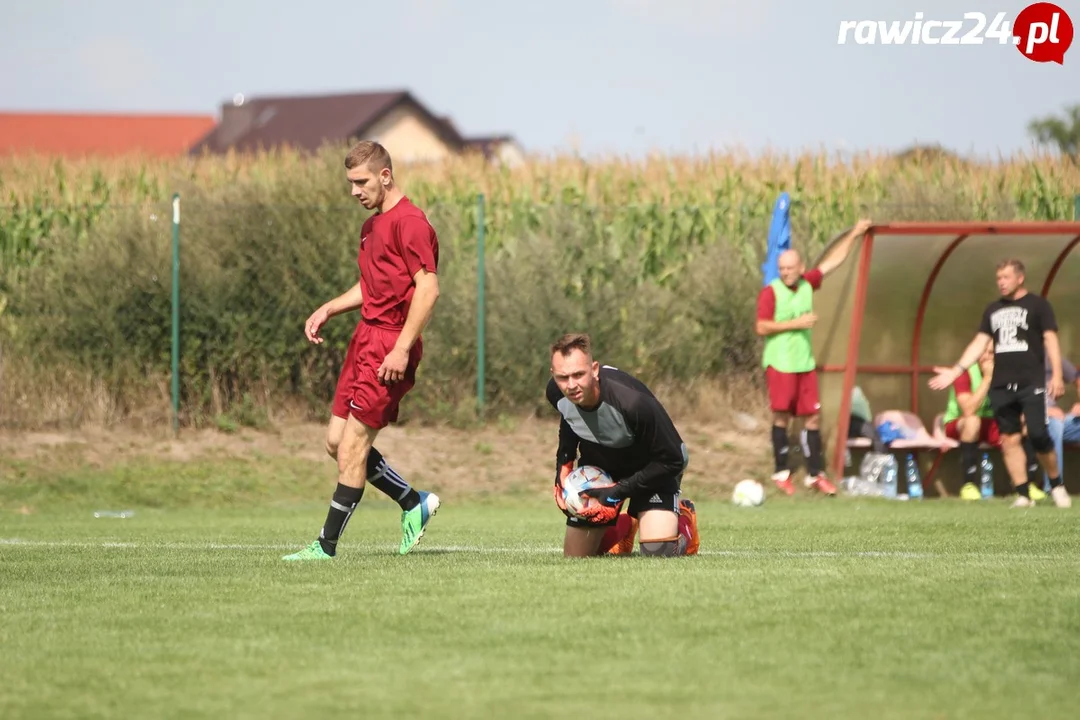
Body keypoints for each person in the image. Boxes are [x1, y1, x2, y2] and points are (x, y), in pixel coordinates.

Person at [283, 140, 443, 561]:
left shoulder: (410, 223)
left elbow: (428, 287)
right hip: (365, 339)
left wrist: (402, 349)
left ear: (384, 176)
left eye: (360, 181)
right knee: (336, 443)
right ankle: (412, 502)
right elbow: (373, 287)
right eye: (350, 182)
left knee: (353, 449)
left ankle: (325, 546)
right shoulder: (371, 227)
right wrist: (330, 308)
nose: (354, 191)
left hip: (391, 342)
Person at [928, 258, 1070, 508]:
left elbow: (1051, 340)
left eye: (1006, 278)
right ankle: (1023, 493)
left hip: (1031, 383)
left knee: (1038, 434)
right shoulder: (993, 310)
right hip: (1001, 386)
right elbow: (978, 344)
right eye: (998, 279)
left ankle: (1057, 485)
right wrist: (956, 370)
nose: (1001, 283)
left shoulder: (1038, 306)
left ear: (1019, 278)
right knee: (1009, 439)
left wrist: (1057, 375)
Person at [546, 333, 700, 558]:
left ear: (595, 369)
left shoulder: (633, 403)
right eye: (563, 377)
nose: (571, 385)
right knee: (577, 557)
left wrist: (618, 492)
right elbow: (569, 418)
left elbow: (675, 458)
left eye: (578, 375)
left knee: (659, 552)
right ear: (554, 375)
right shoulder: (556, 393)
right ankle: (624, 527)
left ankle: (684, 518)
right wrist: (564, 464)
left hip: (650, 469)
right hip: (602, 466)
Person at [756, 218, 873, 496]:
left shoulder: (809, 284)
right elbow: (761, 326)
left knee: (812, 419)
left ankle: (814, 474)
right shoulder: (770, 292)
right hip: (780, 364)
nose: (785, 272)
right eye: (781, 268)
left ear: (801, 268)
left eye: (789, 268)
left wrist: (855, 233)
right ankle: (781, 472)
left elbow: (833, 262)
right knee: (782, 416)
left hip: (804, 364)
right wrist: (796, 324)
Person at [1044, 354, 1080, 491]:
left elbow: (1077, 377)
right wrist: (1044, 410)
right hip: (1035, 418)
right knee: (1055, 424)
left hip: (1060, 419)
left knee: (1058, 422)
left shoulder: (1052, 359)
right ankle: (1054, 487)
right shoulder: (1019, 361)